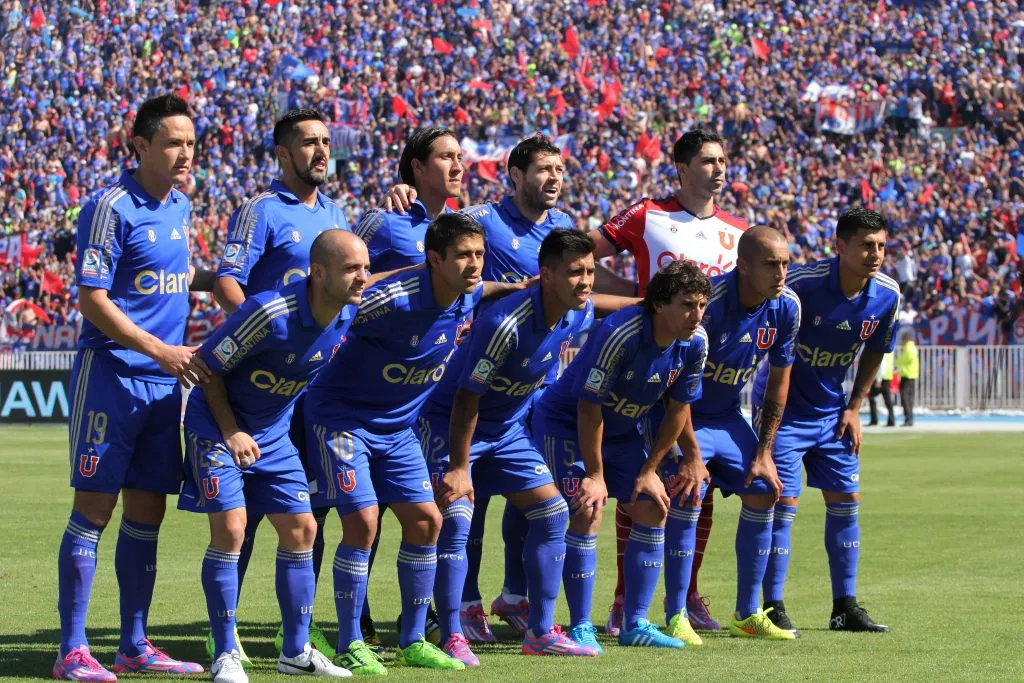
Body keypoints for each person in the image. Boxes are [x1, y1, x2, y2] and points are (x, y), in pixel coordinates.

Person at [303, 213, 525, 674]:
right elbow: (335, 301)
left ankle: (411, 641)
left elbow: (481, 289)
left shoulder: (468, 294)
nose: (474, 264)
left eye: (479, 254)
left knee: (427, 523)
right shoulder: (393, 300)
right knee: (363, 522)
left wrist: (515, 286)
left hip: (399, 426)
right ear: (433, 260)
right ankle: (349, 642)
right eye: (463, 255)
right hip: (343, 418)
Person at [380, 134, 575, 642]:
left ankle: (516, 597)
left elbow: (584, 291)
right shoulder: (483, 221)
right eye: (543, 169)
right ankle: (459, 608)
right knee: (470, 503)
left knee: (529, 502)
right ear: (514, 174)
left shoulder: (564, 231)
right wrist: (406, 192)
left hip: (533, 390)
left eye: (560, 169)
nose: (554, 178)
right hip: (470, 384)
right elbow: (436, 238)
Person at [56, 94, 208, 682]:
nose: (185, 153)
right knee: (95, 509)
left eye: (190, 143)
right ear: (140, 146)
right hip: (113, 377)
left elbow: (168, 276)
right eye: (174, 143)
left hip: (164, 387)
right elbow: (91, 297)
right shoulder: (109, 206)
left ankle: (133, 645)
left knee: (148, 512)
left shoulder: (180, 207)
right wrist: (161, 351)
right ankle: (72, 649)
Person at [420, 229, 616, 664]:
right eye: (574, 273)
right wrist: (458, 466)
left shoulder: (577, 315)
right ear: (545, 275)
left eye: (590, 271)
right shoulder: (503, 323)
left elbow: (607, 307)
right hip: (451, 423)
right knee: (456, 518)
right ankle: (452, 633)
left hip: (507, 431)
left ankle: (541, 632)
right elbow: (466, 399)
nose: (585, 282)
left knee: (552, 513)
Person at [179, 230, 367, 683]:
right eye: (352, 270)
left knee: (303, 528)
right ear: (318, 273)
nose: (363, 278)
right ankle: (224, 651)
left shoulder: (347, 310)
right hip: (217, 426)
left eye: (365, 267)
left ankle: (295, 651)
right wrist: (231, 430)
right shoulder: (267, 312)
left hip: (273, 435)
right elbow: (207, 368)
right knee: (232, 529)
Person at [586, 129, 748, 634]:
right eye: (707, 160)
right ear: (680, 168)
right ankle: (622, 601)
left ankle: (688, 594)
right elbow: (584, 257)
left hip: (706, 376)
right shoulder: (646, 214)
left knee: (695, 489)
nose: (719, 169)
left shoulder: (737, 231)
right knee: (648, 485)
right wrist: (632, 300)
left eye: (723, 161)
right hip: (652, 374)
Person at [210, 107, 352, 665]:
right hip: (258, 385)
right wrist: (263, 334)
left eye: (325, 142)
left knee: (307, 514)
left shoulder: (337, 212)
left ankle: (298, 634)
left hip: (311, 390)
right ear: (282, 154)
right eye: (309, 144)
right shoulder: (261, 211)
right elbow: (226, 277)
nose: (321, 152)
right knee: (238, 514)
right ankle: (226, 633)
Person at [533, 260, 710, 649]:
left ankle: (635, 624)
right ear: (659, 304)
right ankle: (579, 625)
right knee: (587, 508)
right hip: (567, 424)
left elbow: (678, 409)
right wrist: (595, 475)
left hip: (622, 432)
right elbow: (588, 406)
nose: (696, 315)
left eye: (701, 305)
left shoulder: (696, 342)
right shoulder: (621, 332)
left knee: (652, 505)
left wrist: (649, 469)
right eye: (687, 304)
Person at [752, 207, 900, 635]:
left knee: (847, 505)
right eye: (866, 246)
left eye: (882, 247)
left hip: (834, 414)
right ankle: (772, 606)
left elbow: (876, 349)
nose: (875, 255)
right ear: (840, 246)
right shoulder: (802, 285)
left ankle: (844, 608)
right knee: (783, 508)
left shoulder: (888, 294)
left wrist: (854, 406)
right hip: (785, 415)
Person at [661, 226, 800, 644]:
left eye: (785, 264)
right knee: (689, 490)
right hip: (682, 416)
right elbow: (674, 388)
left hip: (725, 415)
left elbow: (778, 382)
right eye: (770, 264)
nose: (781, 274)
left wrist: (764, 451)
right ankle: (676, 614)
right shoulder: (710, 306)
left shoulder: (787, 307)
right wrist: (690, 455)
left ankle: (748, 612)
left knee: (764, 488)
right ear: (742, 266)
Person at [355, 127, 463, 271]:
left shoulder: (461, 225)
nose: (458, 167)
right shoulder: (385, 221)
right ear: (418, 167)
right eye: (446, 157)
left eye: (459, 158)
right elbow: (343, 278)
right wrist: (416, 275)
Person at [895, 335, 919, 427]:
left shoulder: (908, 348)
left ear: (905, 340)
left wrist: (897, 363)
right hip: (912, 375)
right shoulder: (913, 348)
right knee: (909, 399)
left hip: (907, 375)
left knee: (905, 399)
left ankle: (908, 419)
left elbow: (903, 360)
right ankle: (910, 418)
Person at [868, 352, 896, 427]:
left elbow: (882, 365)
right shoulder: (891, 351)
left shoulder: (883, 350)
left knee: (871, 397)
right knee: (888, 400)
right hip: (887, 377)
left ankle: (874, 420)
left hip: (881, 378)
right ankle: (891, 420)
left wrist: (879, 380)